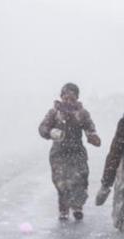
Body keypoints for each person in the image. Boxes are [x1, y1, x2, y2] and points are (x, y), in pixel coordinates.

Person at [39, 83, 101, 221]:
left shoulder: (82, 113)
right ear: (61, 97)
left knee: (80, 179)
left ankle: (77, 207)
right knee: (61, 182)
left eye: (72, 99)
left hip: (77, 152)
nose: (68, 101)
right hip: (59, 153)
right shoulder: (54, 113)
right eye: (65, 98)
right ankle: (64, 209)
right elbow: (42, 128)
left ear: (77, 98)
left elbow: (90, 128)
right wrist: (49, 132)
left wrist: (93, 136)